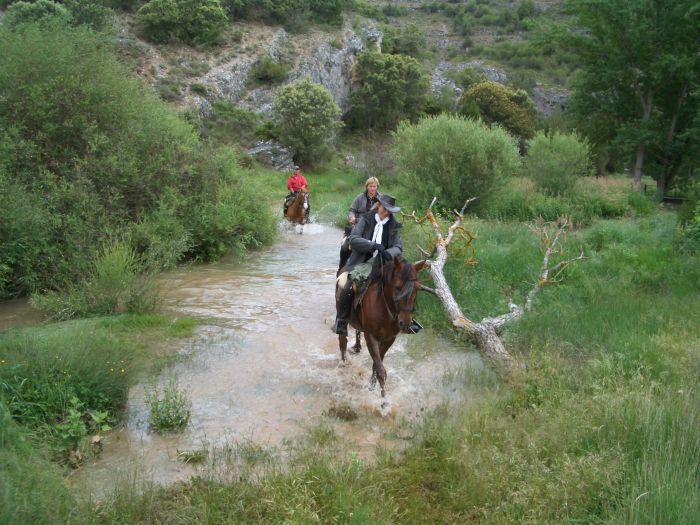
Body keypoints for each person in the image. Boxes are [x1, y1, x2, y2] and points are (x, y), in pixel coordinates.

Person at [334, 193, 403, 336]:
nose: (387, 212)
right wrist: (372, 245)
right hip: (361, 261)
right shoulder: (366, 219)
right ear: (378, 205)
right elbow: (353, 239)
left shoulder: (394, 225)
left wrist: (389, 253)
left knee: (405, 284)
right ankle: (341, 320)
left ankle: (405, 321)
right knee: (349, 285)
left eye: (390, 210)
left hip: (384, 263)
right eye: (385, 208)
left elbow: (398, 247)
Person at [339, 177, 381, 271]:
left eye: (374, 186)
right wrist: (352, 217)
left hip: (375, 226)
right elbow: (352, 210)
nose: (373, 189)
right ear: (367, 187)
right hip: (358, 224)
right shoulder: (360, 197)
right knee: (345, 245)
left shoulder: (381, 199)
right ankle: (341, 267)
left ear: (377, 187)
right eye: (371, 186)